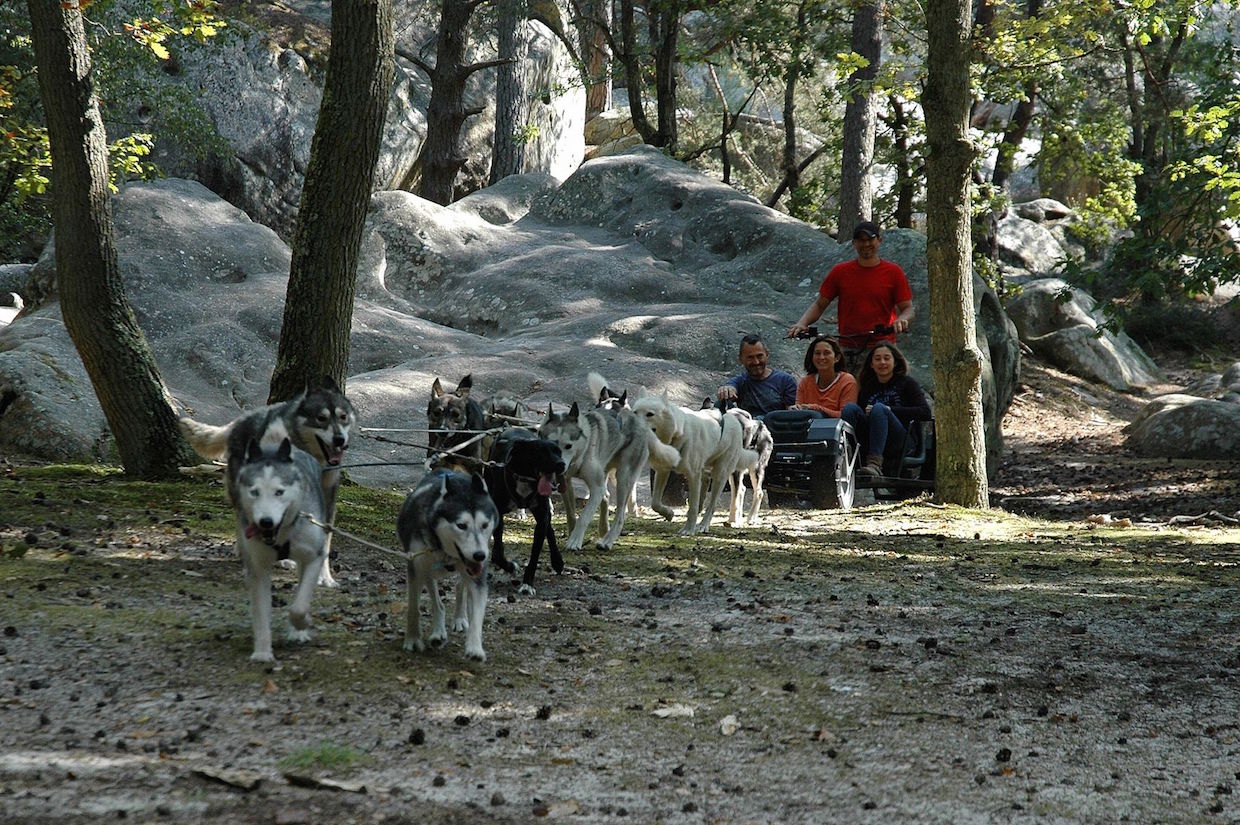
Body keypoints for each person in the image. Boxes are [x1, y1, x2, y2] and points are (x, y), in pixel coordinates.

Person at [787, 220, 914, 372]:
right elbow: (820, 304)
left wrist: (902, 320)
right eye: (861, 240)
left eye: (870, 239)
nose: (866, 244)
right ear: (854, 243)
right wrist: (802, 323)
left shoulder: (893, 272)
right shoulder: (840, 272)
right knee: (847, 392)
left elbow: (908, 308)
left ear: (879, 241)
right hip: (847, 347)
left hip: (881, 347)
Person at [841, 341, 931, 479]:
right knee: (850, 408)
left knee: (879, 409)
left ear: (895, 362)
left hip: (902, 441)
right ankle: (847, 457)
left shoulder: (907, 383)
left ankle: (874, 464)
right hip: (872, 438)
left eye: (887, 358)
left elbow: (925, 412)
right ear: (871, 364)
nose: (882, 362)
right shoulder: (867, 387)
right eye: (877, 359)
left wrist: (890, 410)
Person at [716, 334, 797, 416]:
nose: (756, 362)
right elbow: (731, 386)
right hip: (748, 426)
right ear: (741, 359)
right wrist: (726, 390)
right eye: (750, 358)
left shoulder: (786, 381)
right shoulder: (740, 381)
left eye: (759, 356)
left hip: (776, 426)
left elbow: (792, 413)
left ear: (767, 354)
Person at [791, 335, 858, 417]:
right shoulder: (805, 382)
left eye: (826, 353)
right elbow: (799, 413)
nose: (821, 357)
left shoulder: (847, 381)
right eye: (817, 353)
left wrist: (816, 408)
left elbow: (846, 415)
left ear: (837, 358)